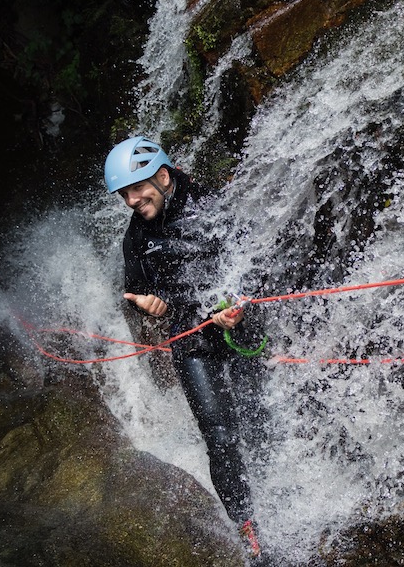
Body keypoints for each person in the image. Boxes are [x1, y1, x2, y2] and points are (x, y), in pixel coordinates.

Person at [104, 136, 265, 559]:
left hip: (240, 331)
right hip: (191, 341)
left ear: (161, 176)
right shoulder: (136, 239)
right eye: (124, 194)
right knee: (220, 435)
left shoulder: (211, 205)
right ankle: (248, 526)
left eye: (137, 189)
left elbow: (251, 261)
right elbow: (137, 294)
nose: (131, 201)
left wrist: (239, 304)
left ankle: (278, 484)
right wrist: (151, 305)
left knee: (257, 418)